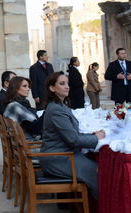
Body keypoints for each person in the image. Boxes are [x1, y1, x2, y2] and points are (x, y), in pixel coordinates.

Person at [40, 72, 105, 200]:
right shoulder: (56, 110)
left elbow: (70, 133)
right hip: (58, 158)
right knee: (99, 170)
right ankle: (102, 203)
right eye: (62, 84)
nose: (67, 87)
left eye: (67, 83)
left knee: (97, 164)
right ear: (52, 88)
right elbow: (73, 139)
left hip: (65, 154)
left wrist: (92, 135)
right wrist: (96, 138)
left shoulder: (60, 105)